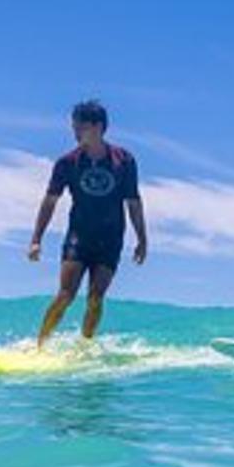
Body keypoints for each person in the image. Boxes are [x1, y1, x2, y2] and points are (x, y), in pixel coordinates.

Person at [28, 99, 147, 346]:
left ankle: (84, 346)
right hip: (79, 236)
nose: (74, 132)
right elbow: (50, 201)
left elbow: (133, 202)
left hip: (111, 237)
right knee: (65, 295)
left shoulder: (124, 161)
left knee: (95, 298)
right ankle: (40, 345)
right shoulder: (67, 163)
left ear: (97, 127)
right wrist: (36, 240)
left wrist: (142, 239)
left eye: (79, 127)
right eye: (74, 127)